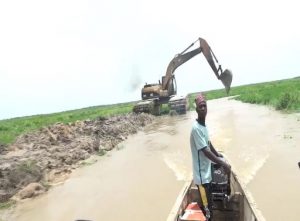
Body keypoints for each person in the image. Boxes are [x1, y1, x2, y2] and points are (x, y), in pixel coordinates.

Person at [190, 93, 231, 220]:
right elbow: (206, 151)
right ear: (196, 110)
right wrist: (223, 164)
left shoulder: (203, 126)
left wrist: (218, 155)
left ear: (207, 108)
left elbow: (208, 143)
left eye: (204, 106)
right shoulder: (196, 128)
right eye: (200, 106)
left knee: (210, 205)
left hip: (207, 173)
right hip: (202, 178)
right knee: (208, 210)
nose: (203, 108)